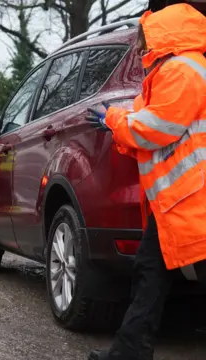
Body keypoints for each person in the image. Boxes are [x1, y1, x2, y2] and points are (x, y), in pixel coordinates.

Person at [85, 3, 206, 359]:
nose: (139, 44)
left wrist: (113, 119)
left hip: (192, 199)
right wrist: (117, 122)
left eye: (144, 36)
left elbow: (156, 130)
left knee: (154, 274)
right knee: (150, 273)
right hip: (179, 199)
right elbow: (146, 121)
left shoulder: (181, 71)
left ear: (164, 33)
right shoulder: (170, 71)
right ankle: (130, 350)